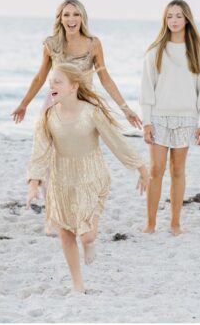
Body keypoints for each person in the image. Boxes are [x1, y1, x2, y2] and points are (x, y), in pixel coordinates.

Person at [26, 63, 150, 293]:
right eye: (51, 81)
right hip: (61, 177)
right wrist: (34, 183)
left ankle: (89, 243)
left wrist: (141, 168)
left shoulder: (91, 112)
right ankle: (77, 284)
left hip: (90, 174)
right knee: (65, 231)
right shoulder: (47, 116)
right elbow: (39, 152)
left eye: (57, 81)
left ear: (73, 86)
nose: (51, 85)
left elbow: (116, 141)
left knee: (87, 236)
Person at [139, 0, 200, 235]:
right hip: (159, 117)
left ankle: (175, 223)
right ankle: (150, 224)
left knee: (178, 170)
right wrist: (147, 122)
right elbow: (146, 89)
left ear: (187, 19)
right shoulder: (155, 51)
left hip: (187, 118)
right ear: (165, 20)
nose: (174, 20)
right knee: (156, 169)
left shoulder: (199, 51)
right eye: (169, 16)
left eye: (178, 16)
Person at [11, 0, 143, 129]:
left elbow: (105, 79)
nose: (71, 19)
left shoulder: (93, 44)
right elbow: (40, 78)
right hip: (56, 106)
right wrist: (23, 105)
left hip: (85, 106)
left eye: (76, 14)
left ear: (82, 18)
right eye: (66, 15)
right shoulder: (51, 44)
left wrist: (125, 109)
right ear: (60, 19)